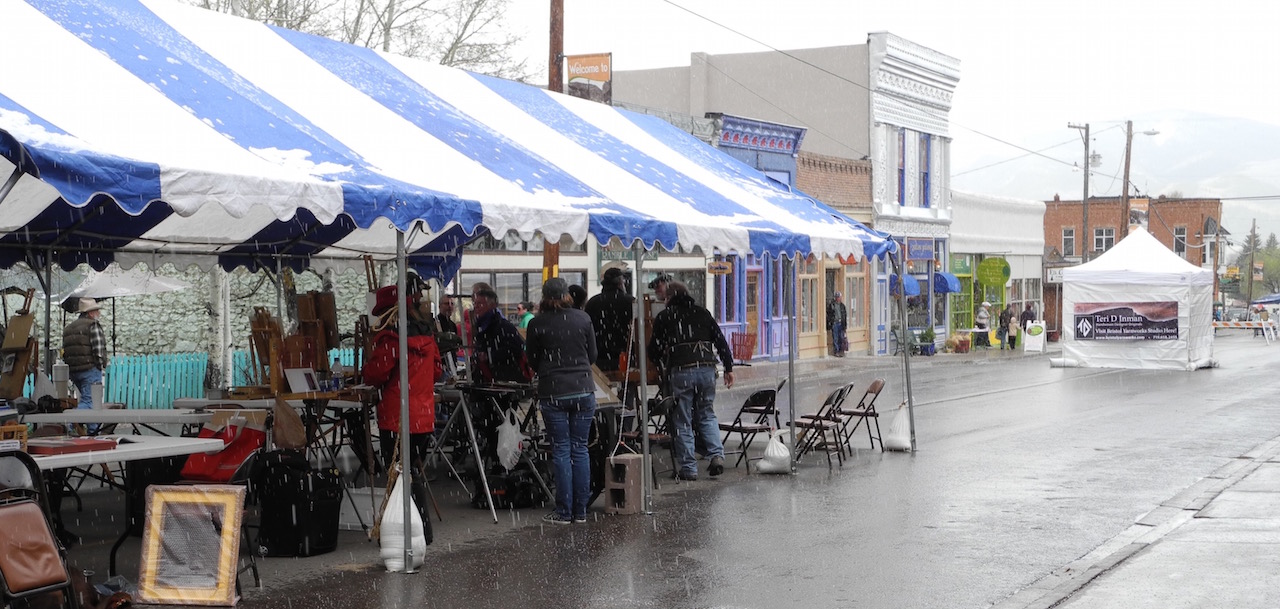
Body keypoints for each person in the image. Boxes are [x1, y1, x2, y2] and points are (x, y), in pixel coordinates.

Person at [362, 284, 443, 544]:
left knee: (398, 476)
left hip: (397, 418)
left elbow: (375, 375)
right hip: (423, 417)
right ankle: (419, 530)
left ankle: (410, 532)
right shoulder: (427, 337)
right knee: (410, 473)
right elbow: (438, 372)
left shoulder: (391, 340)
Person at [525, 278, 598, 525]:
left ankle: (564, 512)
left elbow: (533, 360)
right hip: (583, 389)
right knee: (580, 449)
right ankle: (581, 511)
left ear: (544, 296)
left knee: (562, 450)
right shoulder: (583, 318)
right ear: (567, 295)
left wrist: (550, 368)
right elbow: (593, 355)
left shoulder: (537, 324)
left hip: (553, 391)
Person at [648, 281, 733, 481]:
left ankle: (689, 469)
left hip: (682, 370)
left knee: (682, 419)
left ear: (669, 298)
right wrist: (728, 368)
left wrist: (662, 354)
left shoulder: (665, 316)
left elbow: (654, 350)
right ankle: (716, 455)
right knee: (707, 414)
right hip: (706, 369)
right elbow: (720, 341)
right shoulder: (702, 312)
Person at [471, 288, 532, 384]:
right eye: (475, 303)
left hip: (507, 381)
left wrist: (489, 356)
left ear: (492, 305)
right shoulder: (481, 325)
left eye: (480, 304)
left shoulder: (502, 326)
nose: (476, 307)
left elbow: (516, 349)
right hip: (490, 379)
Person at [62, 298, 108, 415]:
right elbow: (98, 349)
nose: (99, 313)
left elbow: (66, 351)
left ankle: (93, 431)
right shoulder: (93, 325)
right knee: (90, 402)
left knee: (88, 402)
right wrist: (101, 364)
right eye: (97, 311)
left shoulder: (69, 328)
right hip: (90, 368)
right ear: (90, 313)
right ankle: (69, 422)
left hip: (74, 371)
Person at [585, 267, 634, 372]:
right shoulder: (631, 302)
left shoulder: (592, 303)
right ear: (620, 283)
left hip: (599, 357)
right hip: (627, 357)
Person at [826, 292, 848, 357]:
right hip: (835, 323)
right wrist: (830, 323)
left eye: (839, 297)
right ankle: (836, 351)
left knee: (841, 338)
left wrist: (845, 326)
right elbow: (829, 315)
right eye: (837, 297)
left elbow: (844, 316)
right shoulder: (832, 305)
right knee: (835, 338)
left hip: (841, 323)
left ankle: (841, 351)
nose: (839, 298)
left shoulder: (842, 306)